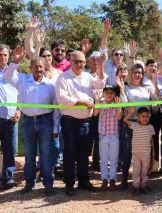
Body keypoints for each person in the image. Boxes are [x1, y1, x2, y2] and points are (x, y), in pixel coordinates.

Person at [4, 47, 60, 196]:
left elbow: (56, 108)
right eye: (35, 66)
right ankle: (29, 183)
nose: (38, 69)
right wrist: (15, 60)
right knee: (29, 155)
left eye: (41, 67)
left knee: (46, 154)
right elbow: (8, 75)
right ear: (30, 68)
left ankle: (48, 184)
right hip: (28, 122)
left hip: (46, 122)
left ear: (44, 68)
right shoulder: (22, 79)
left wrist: (55, 128)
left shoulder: (51, 85)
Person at [55, 50, 106, 196]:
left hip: (86, 122)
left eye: (82, 62)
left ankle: (84, 181)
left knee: (84, 153)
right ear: (70, 61)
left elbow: (101, 84)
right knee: (70, 153)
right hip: (70, 122)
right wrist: (81, 102)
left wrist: (101, 66)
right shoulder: (63, 78)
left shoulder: (88, 76)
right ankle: (69, 183)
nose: (79, 64)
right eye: (76, 61)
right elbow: (62, 99)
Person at [119, 63, 159, 189]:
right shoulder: (125, 88)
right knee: (127, 152)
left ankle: (144, 182)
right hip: (130, 123)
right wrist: (121, 89)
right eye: (135, 72)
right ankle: (124, 180)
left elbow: (156, 102)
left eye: (140, 73)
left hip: (144, 126)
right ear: (131, 73)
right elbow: (124, 103)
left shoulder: (147, 88)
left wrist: (155, 84)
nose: (137, 75)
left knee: (145, 154)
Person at [0, 44, 21, 190]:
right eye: (0, 55)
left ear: (9, 56)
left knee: (10, 149)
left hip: (11, 119)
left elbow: (21, 94)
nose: (2, 57)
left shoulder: (16, 74)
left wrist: (19, 110)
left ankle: (7, 178)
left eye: (5, 55)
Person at [94, 85, 122, 191]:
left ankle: (113, 179)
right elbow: (95, 113)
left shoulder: (116, 104)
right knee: (104, 159)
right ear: (103, 93)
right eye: (107, 92)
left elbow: (119, 117)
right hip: (103, 135)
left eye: (111, 93)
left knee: (114, 159)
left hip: (114, 134)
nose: (109, 95)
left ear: (114, 94)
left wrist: (119, 106)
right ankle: (105, 179)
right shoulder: (100, 104)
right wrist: (96, 102)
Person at [123, 107, 156, 196]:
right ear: (137, 117)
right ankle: (136, 186)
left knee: (145, 171)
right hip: (136, 153)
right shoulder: (135, 125)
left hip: (146, 154)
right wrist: (131, 113)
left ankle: (143, 185)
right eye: (142, 116)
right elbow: (125, 120)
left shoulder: (150, 127)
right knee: (136, 170)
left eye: (147, 116)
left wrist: (154, 152)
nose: (145, 118)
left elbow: (152, 140)